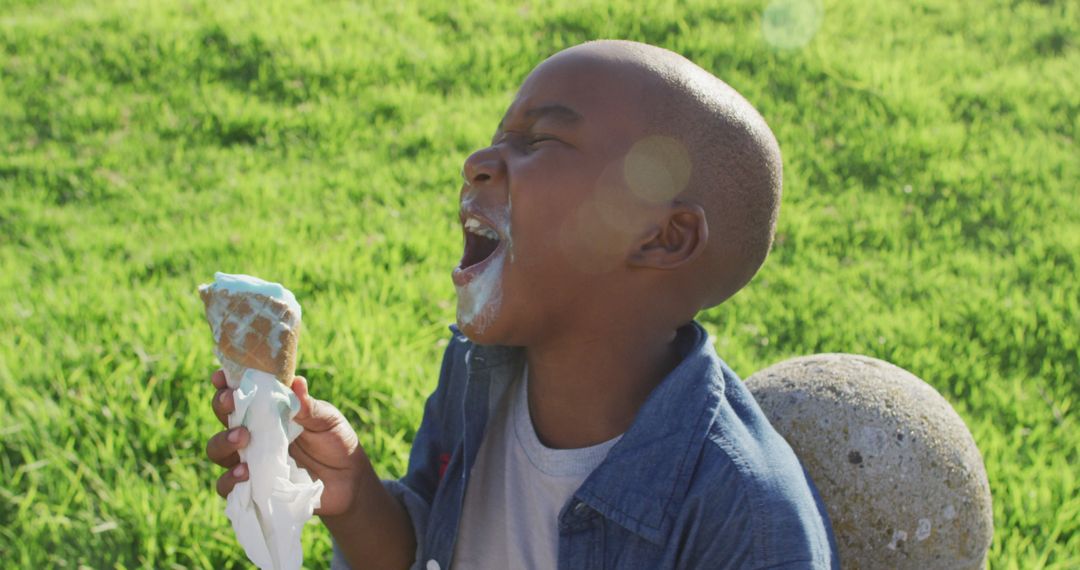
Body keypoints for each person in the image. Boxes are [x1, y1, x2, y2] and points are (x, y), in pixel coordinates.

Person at [206, 39, 838, 569]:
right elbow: (425, 548)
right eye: (497, 138)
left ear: (664, 237)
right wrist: (354, 494)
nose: (477, 163)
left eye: (539, 142)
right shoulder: (478, 372)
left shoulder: (744, 517)